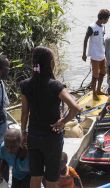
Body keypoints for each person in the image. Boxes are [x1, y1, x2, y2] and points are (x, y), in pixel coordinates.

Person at [20, 46, 81, 188]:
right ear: (50, 63)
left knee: (35, 176)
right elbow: (76, 108)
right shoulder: (55, 86)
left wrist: (23, 132)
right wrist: (63, 121)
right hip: (52, 138)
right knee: (52, 179)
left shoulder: (25, 85)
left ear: (34, 63)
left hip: (33, 136)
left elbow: (24, 113)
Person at [82, 9, 110, 100]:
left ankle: (98, 90)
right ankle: (93, 92)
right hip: (94, 55)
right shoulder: (92, 27)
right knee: (95, 75)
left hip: (102, 53)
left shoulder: (103, 27)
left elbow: (102, 39)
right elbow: (86, 39)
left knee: (103, 72)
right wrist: (84, 53)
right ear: (102, 18)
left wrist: (106, 51)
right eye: (107, 19)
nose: (107, 21)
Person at [0, 56, 10, 144]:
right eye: (7, 68)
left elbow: (5, 104)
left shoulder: (1, 83)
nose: (8, 71)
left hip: (3, 126)